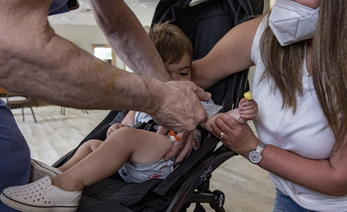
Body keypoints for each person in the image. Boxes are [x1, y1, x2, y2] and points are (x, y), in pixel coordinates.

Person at [0, 22, 258, 212]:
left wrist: (238, 113)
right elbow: (124, 125)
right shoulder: (145, 100)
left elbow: (215, 118)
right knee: (93, 144)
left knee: (125, 138)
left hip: (167, 158)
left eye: (183, 73)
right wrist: (116, 130)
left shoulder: (195, 98)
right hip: (132, 163)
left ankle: (65, 187)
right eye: (165, 74)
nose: (176, 82)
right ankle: (57, 176)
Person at [190, 0, 347, 211]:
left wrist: (252, 147)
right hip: (288, 193)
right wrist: (203, 114)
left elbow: (339, 180)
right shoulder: (262, 33)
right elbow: (192, 76)